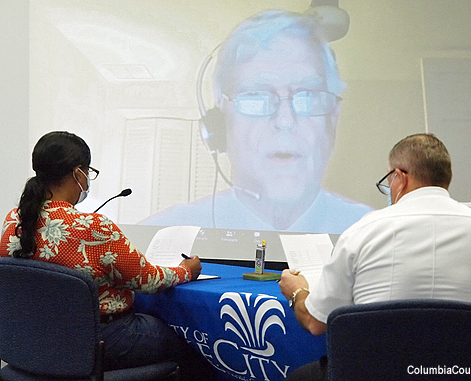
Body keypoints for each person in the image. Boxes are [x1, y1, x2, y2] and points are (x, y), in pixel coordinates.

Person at [278, 133, 471, 380]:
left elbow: (315, 322)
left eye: (389, 179)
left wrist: (297, 291)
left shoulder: (364, 231)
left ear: (400, 177)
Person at [0, 131, 216, 380]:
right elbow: (147, 280)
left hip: (31, 339)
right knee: (195, 344)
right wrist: (187, 270)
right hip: (100, 339)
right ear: (78, 173)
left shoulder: (12, 220)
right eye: (88, 171)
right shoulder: (93, 227)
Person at [142, 10, 373, 233]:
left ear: (333, 118)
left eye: (308, 95)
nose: (285, 120)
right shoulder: (160, 233)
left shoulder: (378, 234)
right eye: (256, 96)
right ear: (221, 123)